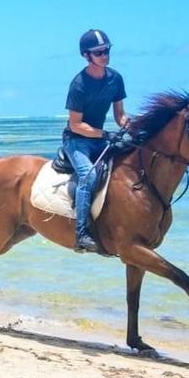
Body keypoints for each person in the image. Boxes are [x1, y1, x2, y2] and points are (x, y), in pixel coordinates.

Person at [62, 29, 130, 253]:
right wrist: (103, 134)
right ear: (86, 56)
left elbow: (120, 115)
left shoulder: (116, 79)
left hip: (100, 138)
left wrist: (131, 126)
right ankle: (82, 234)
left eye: (107, 50)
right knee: (88, 176)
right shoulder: (79, 84)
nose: (104, 55)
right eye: (99, 52)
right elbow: (75, 124)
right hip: (77, 141)